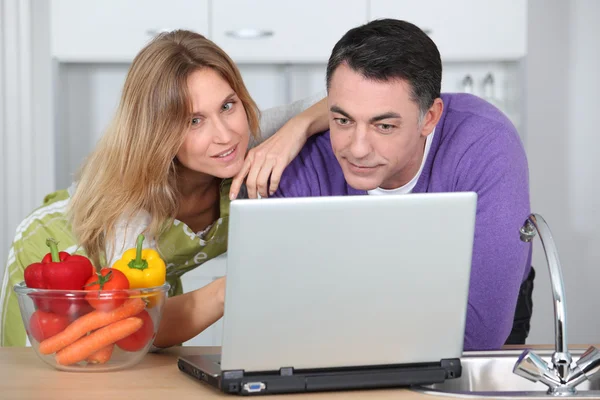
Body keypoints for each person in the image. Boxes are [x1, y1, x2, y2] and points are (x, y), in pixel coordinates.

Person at [0, 29, 328, 347]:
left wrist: (295, 129)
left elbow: (349, 102)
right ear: (157, 133)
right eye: (193, 121)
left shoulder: (244, 139)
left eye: (228, 105)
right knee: (62, 370)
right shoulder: (132, 198)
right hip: (61, 253)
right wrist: (233, 288)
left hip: (144, 277)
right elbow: (134, 327)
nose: (225, 135)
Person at [266, 19, 534, 351]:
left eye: (385, 126)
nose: (357, 148)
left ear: (430, 118)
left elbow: (480, 334)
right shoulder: (306, 159)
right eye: (343, 120)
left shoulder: (485, 145)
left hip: (469, 325)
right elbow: (277, 318)